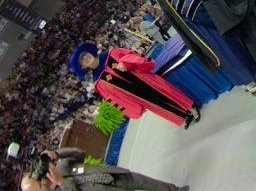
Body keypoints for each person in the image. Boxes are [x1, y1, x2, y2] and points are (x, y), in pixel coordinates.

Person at [19, 147, 188, 191]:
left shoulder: (60, 167)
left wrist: (58, 154)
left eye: (37, 178)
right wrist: (63, 183)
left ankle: (174, 190)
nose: (43, 181)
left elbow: (80, 154)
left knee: (147, 182)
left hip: (112, 176)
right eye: (38, 185)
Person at [69, 42, 201, 128]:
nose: (86, 58)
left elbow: (132, 55)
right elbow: (116, 98)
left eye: (85, 55)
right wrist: (133, 108)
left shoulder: (112, 54)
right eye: (82, 60)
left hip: (147, 80)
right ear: (83, 66)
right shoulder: (98, 83)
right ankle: (183, 116)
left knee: (168, 93)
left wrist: (127, 63)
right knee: (159, 106)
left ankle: (191, 108)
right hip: (139, 96)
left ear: (89, 52)